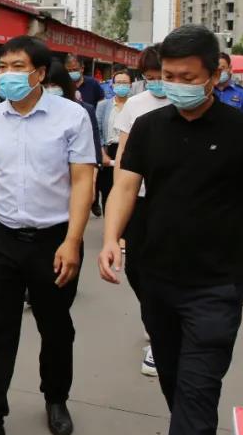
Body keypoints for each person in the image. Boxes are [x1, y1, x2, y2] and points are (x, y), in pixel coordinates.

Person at [99, 24, 243, 435]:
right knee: (174, 377)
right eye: (168, 75)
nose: (175, 84)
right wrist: (111, 238)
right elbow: (124, 187)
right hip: (155, 277)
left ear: (214, 75)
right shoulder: (149, 127)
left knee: (199, 387)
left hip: (215, 286)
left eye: (187, 77)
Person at [0, 36, 95, 435]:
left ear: (40, 73)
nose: (8, 75)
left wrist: (72, 241)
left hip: (54, 241)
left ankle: (56, 399)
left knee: (55, 327)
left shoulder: (72, 117)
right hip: (5, 239)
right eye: (4, 67)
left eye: (18, 67)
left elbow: (83, 179)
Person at [113, 45, 171, 377]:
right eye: (150, 77)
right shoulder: (135, 105)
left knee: (166, 266)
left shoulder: (184, 103)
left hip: (173, 200)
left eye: (161, 75)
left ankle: (162, 334)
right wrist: (119, 197)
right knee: (135, 267)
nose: (157, 82)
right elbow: (123, 152)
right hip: (140, 196)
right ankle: (153, 314)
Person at [45, 62, 101, 216]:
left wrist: (92, 180)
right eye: (46, 85)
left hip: (74, 177)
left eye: (54, 85)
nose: (50, 89)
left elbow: (94, 144)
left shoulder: (83, 110)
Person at [95, 70, 132, 217]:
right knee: (108, 191)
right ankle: (109, 223)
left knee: (128, 191)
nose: (121, 86)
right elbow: (97, 131)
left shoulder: (135, 104)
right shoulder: (103, 105)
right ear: (112, 85)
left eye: (125, 83)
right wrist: (102, 153)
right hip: (109, 152)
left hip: (129, 150)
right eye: (118, 83)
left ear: (130, 85)